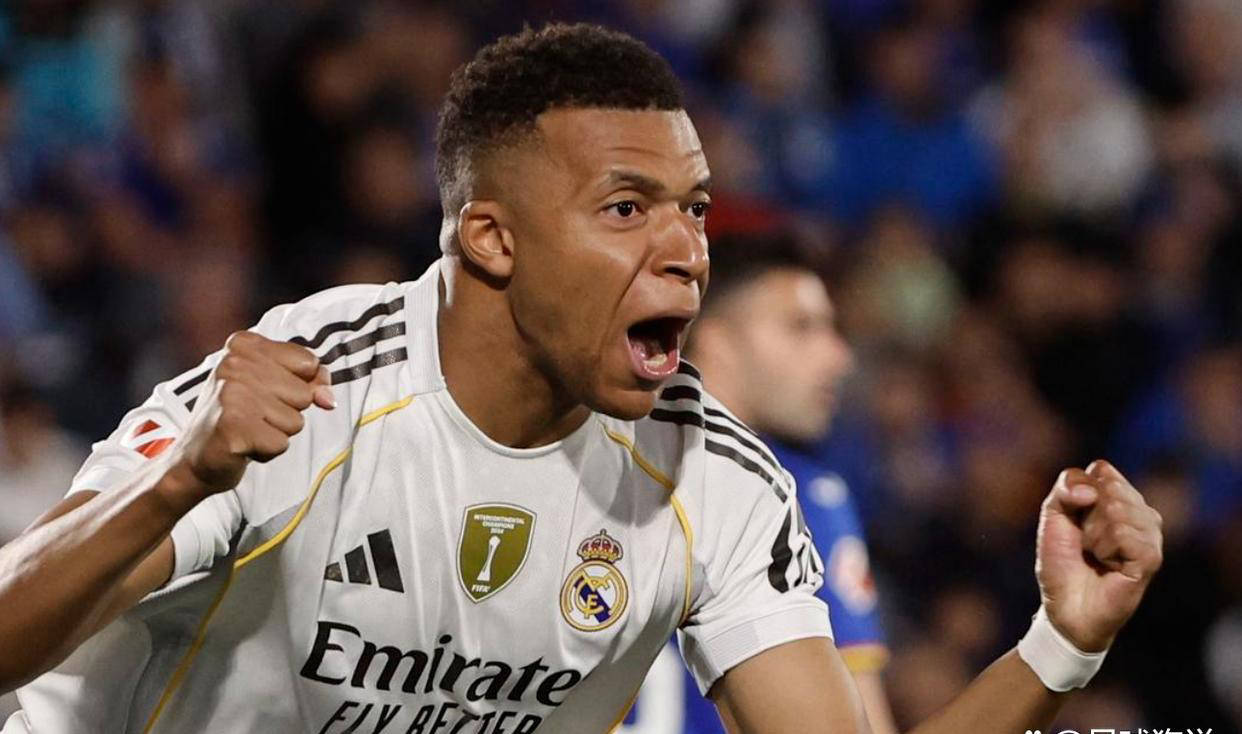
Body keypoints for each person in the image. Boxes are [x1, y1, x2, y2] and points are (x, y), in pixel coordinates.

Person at [0, 23, 1163, 734]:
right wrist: (175, 482)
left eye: (693, 207)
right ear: (492, 239)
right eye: (625, 208)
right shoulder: (309, 392)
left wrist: (1059, 645)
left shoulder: (715, 478)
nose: (686, 248)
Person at [624, 233, 898, 734]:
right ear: (715, 340)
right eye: (801, 327)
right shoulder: (797, 495)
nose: (838, 357)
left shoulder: (592, 462)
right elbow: (864, 724)